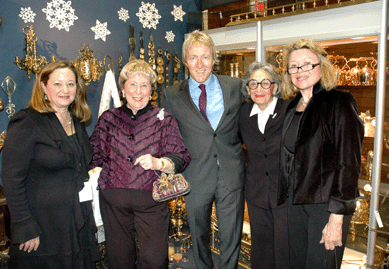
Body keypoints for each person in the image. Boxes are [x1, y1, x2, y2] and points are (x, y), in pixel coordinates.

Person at [89, 59, 191, 269]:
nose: (138, 91)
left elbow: (181, 157)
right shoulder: (108, 119)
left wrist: (159, 162)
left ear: (152, 90)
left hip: (151, 202)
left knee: (154, 261)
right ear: (123, 88)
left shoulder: (164, 119)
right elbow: (93, 155)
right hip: (113, 202)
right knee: (119, 261)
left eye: (144, 85)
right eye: (132, 84)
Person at [1, 60, 99, 268]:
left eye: (71, 84)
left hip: (76, 218)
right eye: (58, 84)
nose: (65, 90)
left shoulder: (76, 120)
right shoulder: (27, 121)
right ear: (44, 86)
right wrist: (25, 226)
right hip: (43, 225)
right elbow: (11, 179)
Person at [162, 30, 245, 269]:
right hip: (195, 175)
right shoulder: (171, 94)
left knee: (232, 235)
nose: (200, 64)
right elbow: (169, 137)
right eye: (193, 57)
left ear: (214, 58)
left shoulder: (236, 87)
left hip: (231, 173)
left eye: (206, 57)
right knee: (198, 236)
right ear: (185, 61)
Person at [277, 39, 364, 269]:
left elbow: (350, 163)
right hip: (295, 203)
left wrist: (337, 216)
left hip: (326, 206)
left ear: (321, 66)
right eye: (294, 66)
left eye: (307, 64)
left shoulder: (339, 102)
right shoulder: (291, 106)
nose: (300, 71)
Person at [239, 62, 290, 269]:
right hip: (256, 192)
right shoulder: (243, 113)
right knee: (260, 246)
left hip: (286, 193)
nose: (259, 89)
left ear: (275, 87)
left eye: (265, 83)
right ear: (247, 88)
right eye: (253, 83)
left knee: (285, 247)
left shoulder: (289, 110)